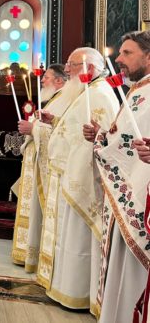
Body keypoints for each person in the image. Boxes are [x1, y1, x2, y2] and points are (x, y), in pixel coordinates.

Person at [36, 48, 119, 316]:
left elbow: (100, 138)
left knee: (79, 240)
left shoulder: (100, 94)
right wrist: (55, 120)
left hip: (82, 178)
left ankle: (77, 291)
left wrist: (76, 170)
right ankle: (64, 286)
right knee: (68, 238)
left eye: (72, 64)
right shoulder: (87, 90)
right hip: (69, 171)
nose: (67, 69)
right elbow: (74, 127)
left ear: (89, 68)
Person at [87, 31, 150, 322]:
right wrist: (101, 135)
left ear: (148, 56)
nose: (120, 59)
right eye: (120, 53)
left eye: (127, 53)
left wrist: (102, 141)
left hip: (141, 194)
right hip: (129, 188)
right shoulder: (138, 90)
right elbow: (124, 139)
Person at [12, 64, 68, 272]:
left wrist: (33, 128)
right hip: (35, 161)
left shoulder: (64, 100)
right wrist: (35, 127)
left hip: (47, 166)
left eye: (47, 77)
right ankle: (28, 252)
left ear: (59, 81)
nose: (42, 80)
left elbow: (62, 134)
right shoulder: (55, 99)